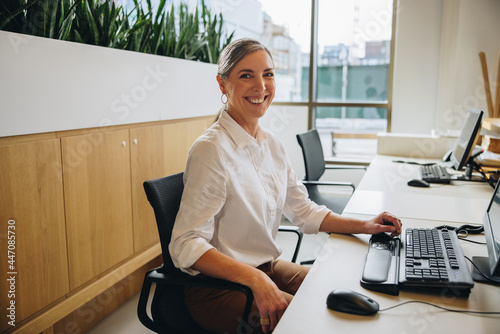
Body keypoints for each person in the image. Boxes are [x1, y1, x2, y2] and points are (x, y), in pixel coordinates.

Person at [169, 38, 402, 334]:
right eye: (246, 75)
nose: (261, 86)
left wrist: (365, 225)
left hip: (266, 269)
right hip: (217, 289)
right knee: (319, 322)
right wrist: (255, 280)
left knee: (342, 290)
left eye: (268, 74)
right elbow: (185, 244)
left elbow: (303, 211)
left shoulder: (272, 145)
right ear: (222, 84)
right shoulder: (211, 150)